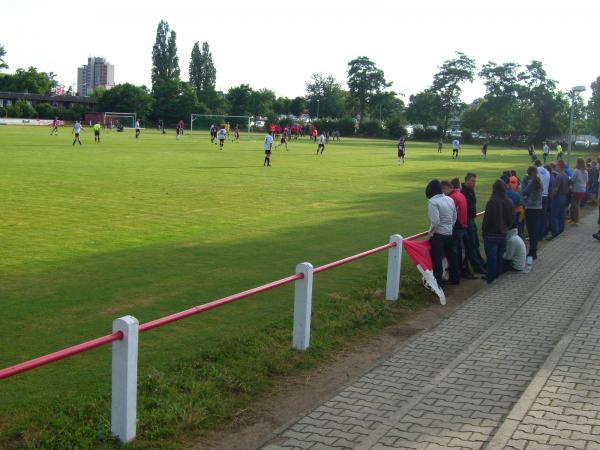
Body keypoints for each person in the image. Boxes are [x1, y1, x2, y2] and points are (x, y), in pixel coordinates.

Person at [425, 179, 457, 287]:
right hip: (449, 233)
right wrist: (449, 227)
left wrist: (431, 232)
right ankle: (454, 278)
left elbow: (435, 221)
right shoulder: (449, 199)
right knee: (451, 257)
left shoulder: (432, 202)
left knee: (437, 260)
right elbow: (454, 217)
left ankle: (438, 283)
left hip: (439, 235)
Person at [481, 180, 513, 283]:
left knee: (491, 260)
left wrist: (484, 232)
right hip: (502, 234)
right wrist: (505, 228)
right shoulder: (509, 201)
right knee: (499, 258)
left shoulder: (492, 201)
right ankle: (498, 279)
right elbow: (510, 220)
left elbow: (487, 220)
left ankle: (491, 280)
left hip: (491, 235)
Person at [461, 173, 486, 275]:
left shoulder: (470, 191)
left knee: (475, 243)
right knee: (471, 244)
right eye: (472, 181)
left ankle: (481, 263)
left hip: (472, 219)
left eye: (475, 181)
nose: (474, 183)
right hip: (467, 221)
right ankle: (477, 267)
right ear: (466, 180)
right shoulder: (464, 192)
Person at [446, 178, 468, 283]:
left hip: (456, 228)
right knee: (459, 251)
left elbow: (452, 215)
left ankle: (454, 278)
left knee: (453, 253)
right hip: (463, 227)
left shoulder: (452, 198)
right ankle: (460, 272)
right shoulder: (461, 195)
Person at [521, 166, 543, 261]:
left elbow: (524, 192)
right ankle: (534, 251)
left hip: (531, 208)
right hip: (538, 207)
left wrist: (524, 181)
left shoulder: (531, 182)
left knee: (531, 231)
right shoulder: (539, 181)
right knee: (535, 230)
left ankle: (532, 252)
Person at [549, 160, 570, 238]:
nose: (556, 167)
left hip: (558, 197)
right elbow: (568, 188)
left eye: (557, 165)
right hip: (564, 196)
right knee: (561, 215)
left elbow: (555, 189)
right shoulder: (566, 176)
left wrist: (552, 196)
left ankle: (555, 233)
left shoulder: (559, 176)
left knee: (554, 216)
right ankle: (561, 230)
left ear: (560, 166)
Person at [569, 157, 589, 224]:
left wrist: (569, 179)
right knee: (577, 204)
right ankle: (574, 219)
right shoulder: (585, 171)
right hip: (583, 189)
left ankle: (575, 219)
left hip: (576, 189)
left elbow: (572, 179)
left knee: (574, 205)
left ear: (578, 163)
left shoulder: (576, 170)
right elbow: (586, 181)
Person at [535, 160, 551, 239]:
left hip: (539, 196)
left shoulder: (536, 170)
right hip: (546, 195)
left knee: (537, 216)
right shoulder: (547, 172)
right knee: (543, 215)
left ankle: (538, 235)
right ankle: (543, 233)